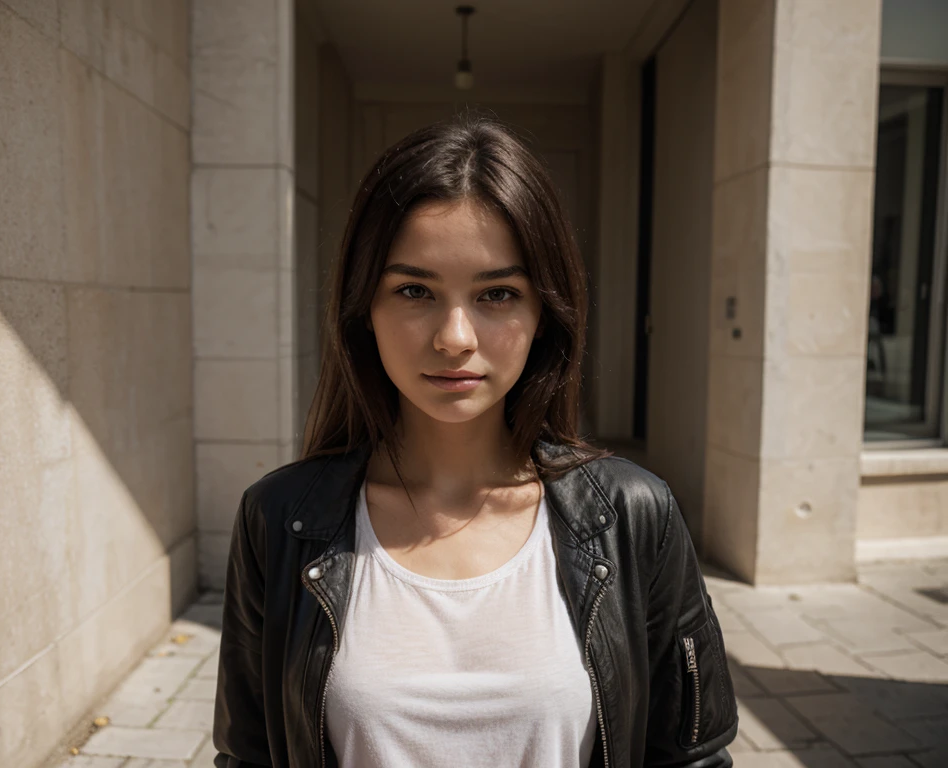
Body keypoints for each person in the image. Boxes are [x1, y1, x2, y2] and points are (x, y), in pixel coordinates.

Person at [212, 114, 738, 768]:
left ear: (543, 313)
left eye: (496, 293)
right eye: (413, 290)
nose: (455, 336)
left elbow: (692, 760)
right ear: (362, 309)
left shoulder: (635, 518)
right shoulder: (280, 520)